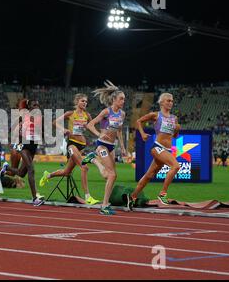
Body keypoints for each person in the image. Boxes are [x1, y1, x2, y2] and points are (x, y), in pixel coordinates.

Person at [39, 93, 106, 205]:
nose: (85, 103)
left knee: (66, 172)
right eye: (82, 101)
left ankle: (48, 175)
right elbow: (55, 122)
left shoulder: (87, 115)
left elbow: (91, 127)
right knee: (84, 168)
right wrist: (63, 129)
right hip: (72, 144)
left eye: (86, 101)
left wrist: (99, 134)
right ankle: (88, 197)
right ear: (77, 102)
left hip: (81, 145)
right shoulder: (70, 114)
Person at [127, 93, 181, 210]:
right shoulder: (156, 115)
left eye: (171, 101)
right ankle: (163, 193)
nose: (170, 103)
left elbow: (175, 136)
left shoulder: (174, 118)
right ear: (161, 102)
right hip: (157, 147)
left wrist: (177, 129)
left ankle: (133, 197)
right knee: (176, 166)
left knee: (149, 175)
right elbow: (138, 121)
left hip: (167, 149)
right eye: (168, 101)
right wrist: (142, 134)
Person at [85, 81, 127, 215]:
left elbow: (119, 131)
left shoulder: (122, 114)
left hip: (112, 147)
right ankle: (104, 206)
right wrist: (100, 134)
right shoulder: (106, 112)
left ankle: (94, 160)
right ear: (114, 99)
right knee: (113, 175)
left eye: (124, 99)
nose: (123, 101)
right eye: (121, 99)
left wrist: (122, 147)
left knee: (108, 175)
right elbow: (90, 125)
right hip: (101, 145)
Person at [3, 99, 45, 206]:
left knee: (22, 173)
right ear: (30, 108)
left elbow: (42, 132)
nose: (37, 107)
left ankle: (6, 168)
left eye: (38, 105)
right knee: (31, 169)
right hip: (23, 145)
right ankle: (35, 198)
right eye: (34, 105)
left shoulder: (41, 118)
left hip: (33, 146)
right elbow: (11, 128)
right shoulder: (24, 116)